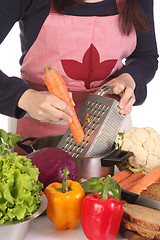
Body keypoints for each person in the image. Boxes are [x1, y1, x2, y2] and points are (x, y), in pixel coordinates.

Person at [0, 0, 158, 152]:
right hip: (35, 131)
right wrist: (24, 98)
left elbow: (145, 55)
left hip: (109, 128)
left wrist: (129, 78)